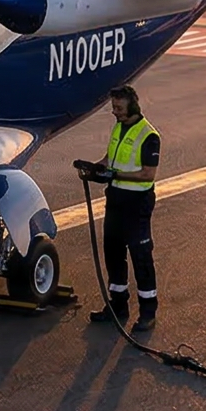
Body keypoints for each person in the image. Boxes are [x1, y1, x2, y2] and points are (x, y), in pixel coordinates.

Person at [75, 85, 161, 331]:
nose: (115, 112)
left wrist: (112, 174)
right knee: (113, 254)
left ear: (132, 106)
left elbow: (147, 174)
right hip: (115, 201)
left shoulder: (149, 136)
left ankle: (148, 312)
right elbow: (110, 159)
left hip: (137, 205)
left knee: (140, 257)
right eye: (113, 107)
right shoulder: (119, 127)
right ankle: (118, 306)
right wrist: (95, 169)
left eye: (119, 108)